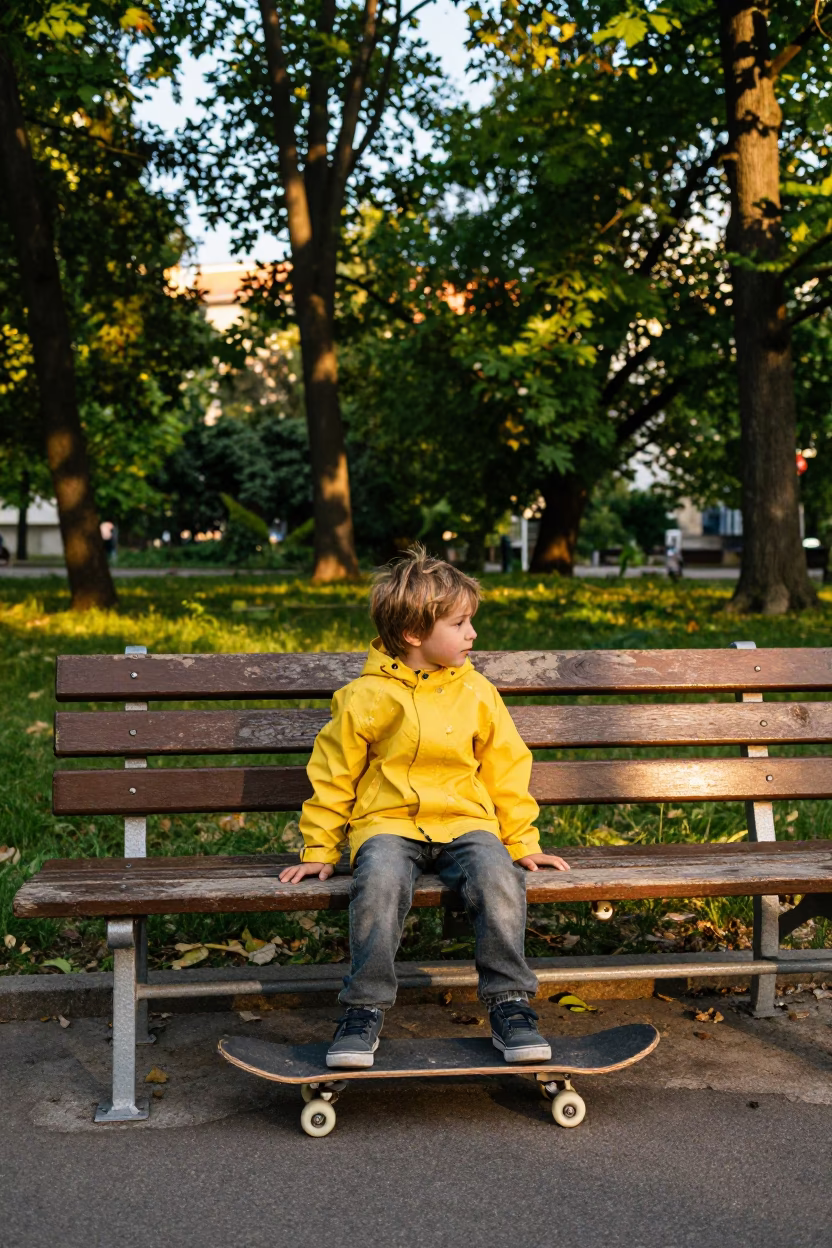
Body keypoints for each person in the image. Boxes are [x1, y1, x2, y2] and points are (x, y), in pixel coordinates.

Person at [280, 546, 570, 1069]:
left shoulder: (478, 692)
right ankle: (363, 1009)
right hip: (388, 826)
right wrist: (321, 848)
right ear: (415, 634)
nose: (472, 634)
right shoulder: (364, 697)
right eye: (459, 623)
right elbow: (333, 777)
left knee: (498, 878)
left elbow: (506, 766)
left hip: (466, 822)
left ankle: (510, 1004)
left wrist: (523, 843)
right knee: (380, 884)